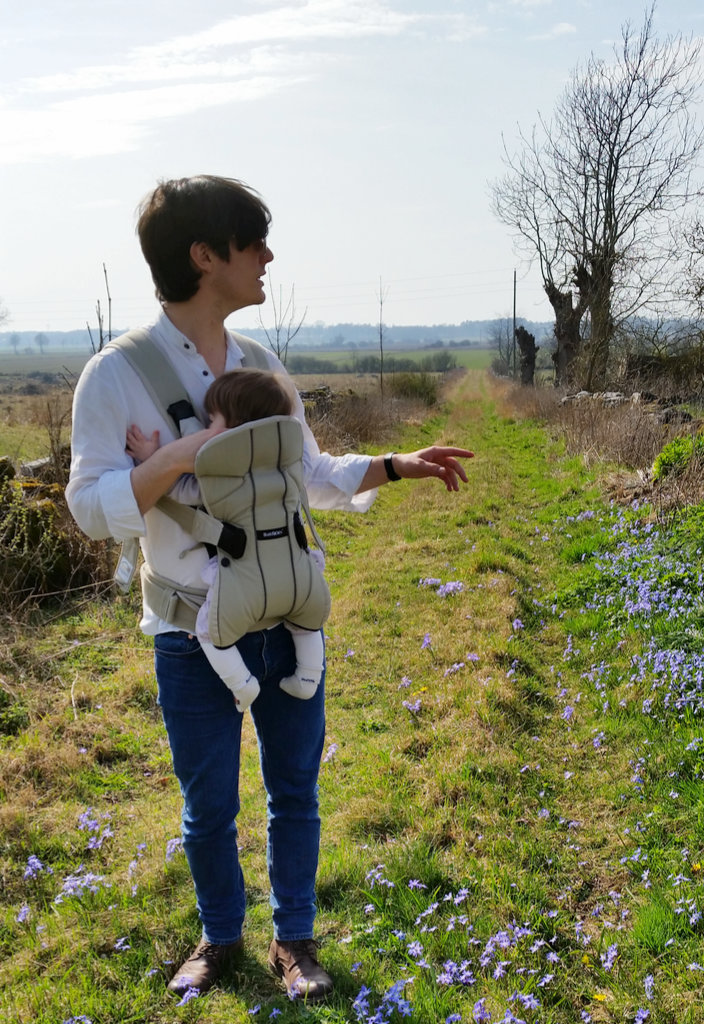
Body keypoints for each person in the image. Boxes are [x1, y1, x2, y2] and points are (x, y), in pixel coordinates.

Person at [66, 174, 473, 1003]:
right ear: (203, 255)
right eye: (252, 242)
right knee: (207, 804)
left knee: (296, 791)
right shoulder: (116, 376)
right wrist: (179, 457)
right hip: (189, 629)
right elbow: (88, 508)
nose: (268, 257)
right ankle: (220, 938)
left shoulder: (259, 362)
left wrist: (397, 467)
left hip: (284, 611)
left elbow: (311, 473)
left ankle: (293, 941)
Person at [125, 366, 328, 712]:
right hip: (296, 570)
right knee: (305, 620)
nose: (206, 430)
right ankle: (309, 676)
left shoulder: (223, 478)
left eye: (211, 422)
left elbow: (181, 490)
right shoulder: (289, 463)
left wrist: (153, 460)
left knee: (209, 628)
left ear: (235, 431)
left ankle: (241, 684)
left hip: (244, 581)